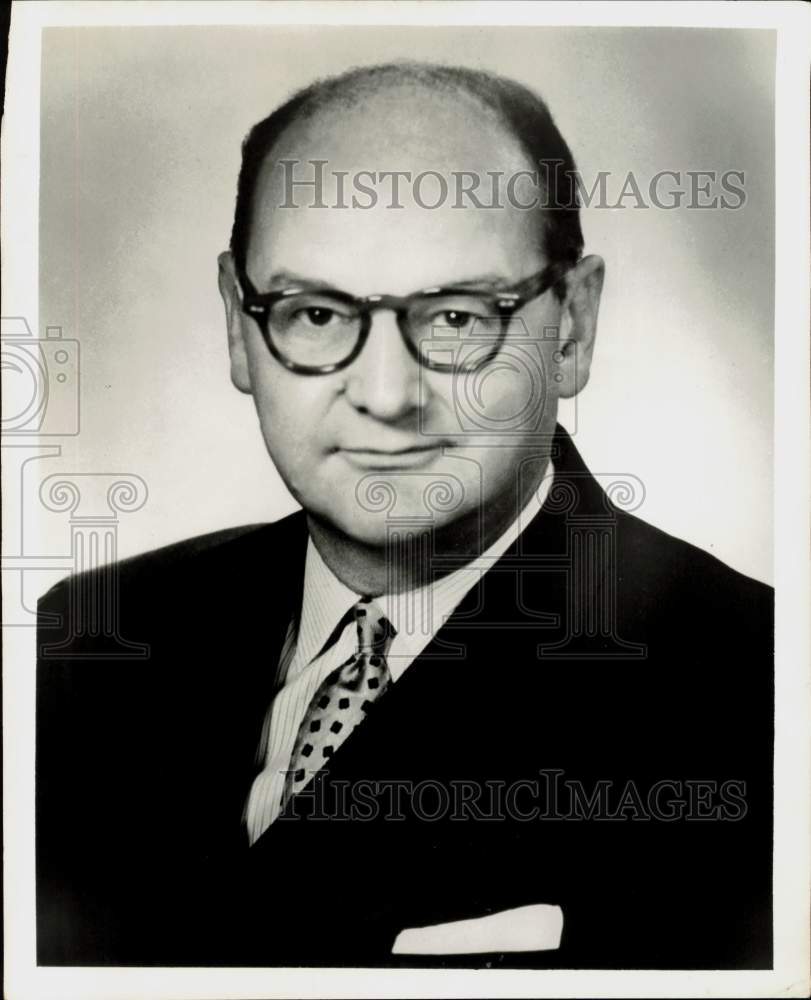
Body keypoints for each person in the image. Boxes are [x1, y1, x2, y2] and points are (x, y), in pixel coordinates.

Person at [36, 61, 773, 969]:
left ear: (573, 326)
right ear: (238, 323)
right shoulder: (86, 640)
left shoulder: (757, 689)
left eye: (459, 318)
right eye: (313, 314)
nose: (386, 396)